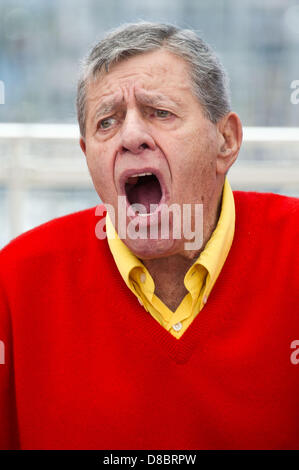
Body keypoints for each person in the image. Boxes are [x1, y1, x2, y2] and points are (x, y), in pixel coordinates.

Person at [0, 22, 298, 450]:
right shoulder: (16, 280)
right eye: (107, 122)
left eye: (160, 112)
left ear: (226, 140)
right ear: (88, 157)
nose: (132, 136)